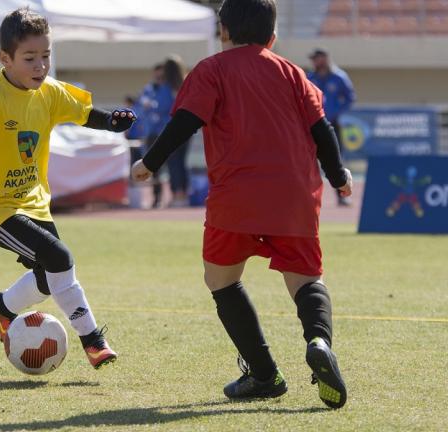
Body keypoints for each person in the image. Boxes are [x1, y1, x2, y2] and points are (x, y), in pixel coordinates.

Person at [132, 0, 352, 409]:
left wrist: (150, 163)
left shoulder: (212, 69)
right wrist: (339, 176)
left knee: (222, 281)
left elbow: (184, 122)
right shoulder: (292, 72)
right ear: (272, 36)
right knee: (306, 280)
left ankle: (264, 374)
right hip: (295, 198)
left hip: (235, 199)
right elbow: (322, 130)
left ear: (223, 31)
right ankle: (319, 340)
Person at [0, 8, 135, 369]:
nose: (40, 65)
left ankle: (2, 307)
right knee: (60, 259)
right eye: (29, 58)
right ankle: (93, 340)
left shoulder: (51, 92)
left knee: (48, 275)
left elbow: (86, 113)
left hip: (35, 203)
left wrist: (112, 122)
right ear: (4, 59)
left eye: (46, 56)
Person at [307, 48, 356, 206]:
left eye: (317, 58)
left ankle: (342, 195)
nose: (315, 62)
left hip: (331, 124)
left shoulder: (339, 77)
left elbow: (350, 97)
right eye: (313, 59)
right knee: (307, 160)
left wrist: (337, 113)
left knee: (336, 159)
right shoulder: (310, 77)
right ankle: (307, 196)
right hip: (312, 124)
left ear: (325, 59)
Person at [161, 56, 190, 207]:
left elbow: (163, 107)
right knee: (182, 162)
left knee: (173, 162)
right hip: (186, 128)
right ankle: (184, 193)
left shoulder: (166, 87)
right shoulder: (186, 83)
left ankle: (176, 194)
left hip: (170, 128)